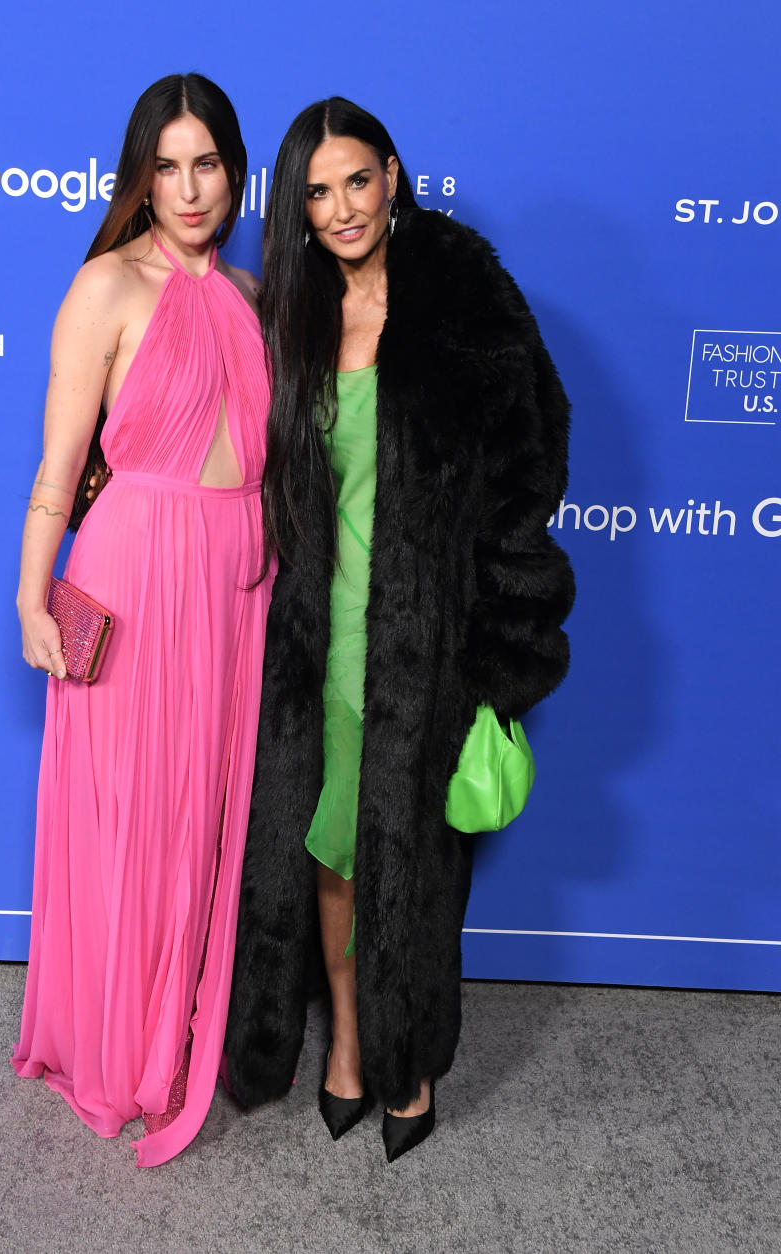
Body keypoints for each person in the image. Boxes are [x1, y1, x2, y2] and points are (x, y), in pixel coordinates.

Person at [224, 98, 574, 1162]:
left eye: (356, 182)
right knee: (330, 852)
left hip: (428, 647)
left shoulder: (465, 296)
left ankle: (409, 1057)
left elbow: (529, 475)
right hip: (317, 642)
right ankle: (348, 1046)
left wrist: (500, 649)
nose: (340, 209)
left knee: (416, 861)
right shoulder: (292, 318)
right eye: (317, 192)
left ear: (393, 174)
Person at [11, 73, 273, 1168]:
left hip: (236, 584)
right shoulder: (106, 288)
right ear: (139, 176)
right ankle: (121, 1051)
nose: (188, 186)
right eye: (165, 166)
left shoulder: (255, 296)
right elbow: (60, 464)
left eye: (206, 161)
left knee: (205, 821)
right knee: (129, 822)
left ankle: (181, 1028)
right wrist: (31, 594)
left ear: (235, 166)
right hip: (131, 577)